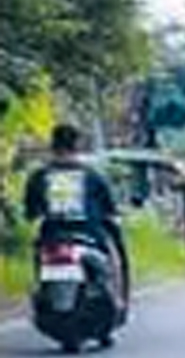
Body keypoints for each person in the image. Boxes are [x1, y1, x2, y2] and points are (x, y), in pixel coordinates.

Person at [20, 123, 130, 300]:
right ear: (76, 145)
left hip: (52, 235)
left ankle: (40, 288)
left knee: (38, 254)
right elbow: (109, 208)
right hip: (90, 234)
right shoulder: (92, 176)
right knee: (116, 246)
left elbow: (30, 211)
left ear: (52, 146)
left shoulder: (39, 176)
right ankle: (120, 296)